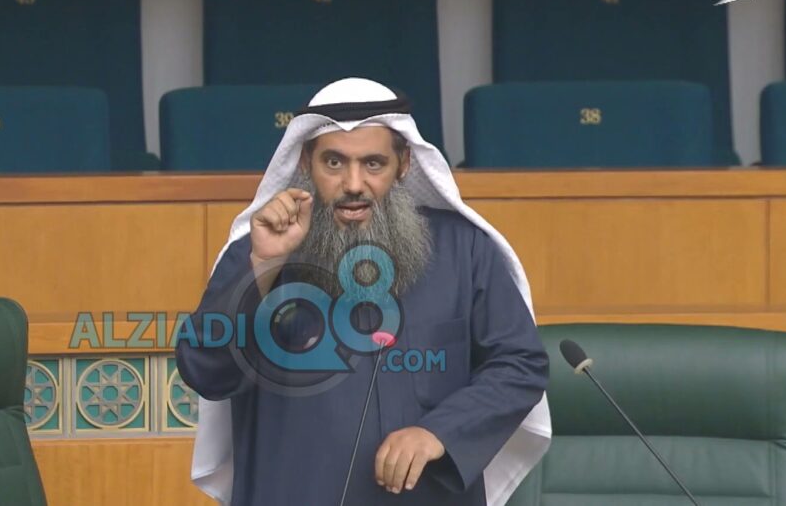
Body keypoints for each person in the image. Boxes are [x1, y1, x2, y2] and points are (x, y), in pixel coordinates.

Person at [176, 78, 551, 506]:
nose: (353, 183)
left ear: (404, 163)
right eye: (334, 162)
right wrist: (264, 266)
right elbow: (204, 371)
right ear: (306, 162)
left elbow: (520, 364)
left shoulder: (463, 250)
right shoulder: (260, 251)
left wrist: (439, 433)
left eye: (373, 164)